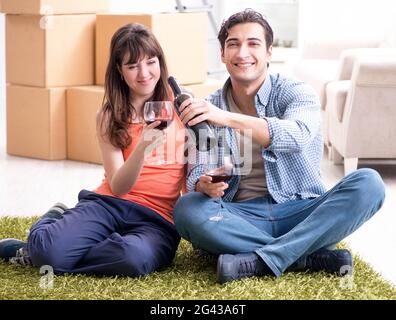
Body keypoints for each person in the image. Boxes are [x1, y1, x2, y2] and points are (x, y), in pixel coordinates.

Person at [173, 9, 386, 284]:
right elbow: (198, 169)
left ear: (269, 52)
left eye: (253, 43)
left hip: (300, 209)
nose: (242, 52)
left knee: (369, 184)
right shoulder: (209, 106)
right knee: (188, 209)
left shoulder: (296, 92)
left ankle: (258, 258)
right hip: (241, 215)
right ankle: (306, 255)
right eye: (233, 44)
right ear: (223, 55)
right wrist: (203, 184)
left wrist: (226, 118)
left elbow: (296, 136)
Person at [0, 23, 186, 277]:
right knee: (50, 254)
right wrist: (142, 147)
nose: (144, 73)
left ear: (160, 62)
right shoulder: (109, 116)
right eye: (132, 66)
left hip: (157, 219)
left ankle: (36, 251)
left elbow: (193, 167)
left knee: (133, 259)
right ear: (120, 71)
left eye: (150, 62)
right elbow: (119, 187)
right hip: (109, 204)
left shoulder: (181, 103)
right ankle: (49, 231)